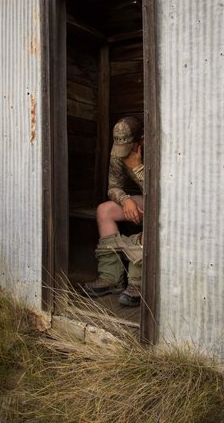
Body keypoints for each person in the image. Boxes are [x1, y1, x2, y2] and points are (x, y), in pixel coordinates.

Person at [83, 116, 144, 307]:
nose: (123, 153)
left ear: (140, 140)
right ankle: (111, 277)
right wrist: (125, 200)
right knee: (105, 210)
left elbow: (164, 196)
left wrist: (138, 168)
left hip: (163, 204)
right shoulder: (119, 150)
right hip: (142, 199)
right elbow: (113, 187)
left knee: (155, 215)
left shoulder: (158, 149)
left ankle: (138, 283)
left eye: (129, 148)